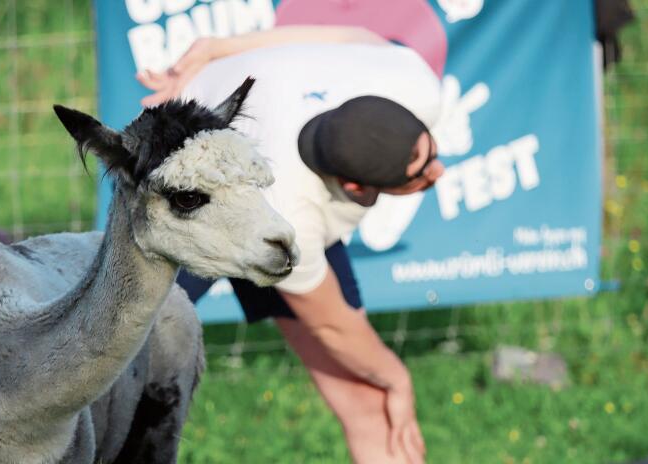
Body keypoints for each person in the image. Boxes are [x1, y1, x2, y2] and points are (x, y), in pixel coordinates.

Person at [137, 26, 445, 464]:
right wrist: (400, 378)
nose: (440, 171)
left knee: (368, 400)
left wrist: (220, 47)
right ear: (357, 187)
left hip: (247, 147)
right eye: (423, 174)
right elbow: (333, 325)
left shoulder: (411, 83)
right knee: (106, 377)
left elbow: (349, 38)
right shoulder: (287, 215)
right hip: (179, 190)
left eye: (429, 151)